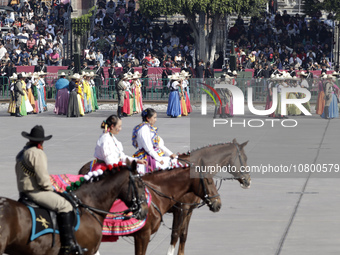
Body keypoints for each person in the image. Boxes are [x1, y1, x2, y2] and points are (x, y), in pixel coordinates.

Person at [16, 125, 86, 254]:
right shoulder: (37, 153)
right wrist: (52, 189)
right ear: (42, 141)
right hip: (36, 192)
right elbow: (43, 179)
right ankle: (68, 245)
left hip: (23, 192)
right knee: (65, 206)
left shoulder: (22, 152)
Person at [132, 108, 177, 173]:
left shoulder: (149, 127)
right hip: (148, 156)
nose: (156, 120)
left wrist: (170, 153)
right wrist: (158, 159)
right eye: (154, 118)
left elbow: (159, 145)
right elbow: (148, 148)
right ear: (148, 118)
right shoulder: (143, 129)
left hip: (154, 153)